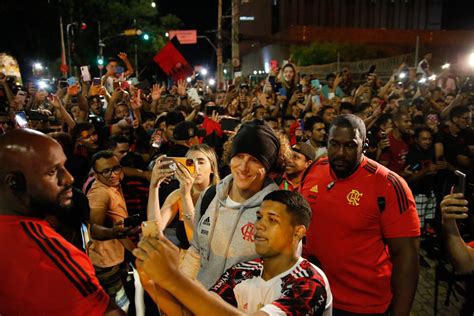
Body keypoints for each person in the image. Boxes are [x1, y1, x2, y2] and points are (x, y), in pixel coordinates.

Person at [134, 190, 333, 316]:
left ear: (298, 231)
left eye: (272, 219)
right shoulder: (242, 271)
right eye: (259, 217)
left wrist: (173, 276)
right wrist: (152, 283)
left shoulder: (309, 282)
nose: (259, 225)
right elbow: (194, 312)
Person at [300, 114, 420, 315]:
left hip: (362, 307)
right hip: (313, 295)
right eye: (334, 144)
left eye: (349, 145)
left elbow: (407, 257)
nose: (340, 153)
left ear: (364, 145)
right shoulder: (314, 169)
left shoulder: (390, 185)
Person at [0, 128, 124, 315]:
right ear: (14, 182)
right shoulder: (48, 257)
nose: (68, 178)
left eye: (64, 166)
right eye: (52, 171)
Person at [179, 119, 289, 289]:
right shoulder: (210, 195)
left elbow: (281, 279)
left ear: (268, 166)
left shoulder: (279, 211)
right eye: (239, 156)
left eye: (254, 160)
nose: (243, 167)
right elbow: (196, 252)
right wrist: (182, 295)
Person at [87, 150, 139, 311]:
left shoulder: (114, 180)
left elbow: (122, 171)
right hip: (106, 263)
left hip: (117, 256)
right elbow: (95, 229)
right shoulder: (100, 193)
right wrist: (115, 233)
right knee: (118, 305)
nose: (112, 174)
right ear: (96, 174)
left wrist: (145, 174)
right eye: (106, 171)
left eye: (115, 169)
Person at [147, 144, 220, 249]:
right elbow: (153, 231)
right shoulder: (178, 195)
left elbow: (201, 235)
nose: (195, 167)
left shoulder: (221, 194)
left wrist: (185, 195)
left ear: (212, 167)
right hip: (185, 261)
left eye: (201, 162)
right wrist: (154, 186)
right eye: (190, 162)